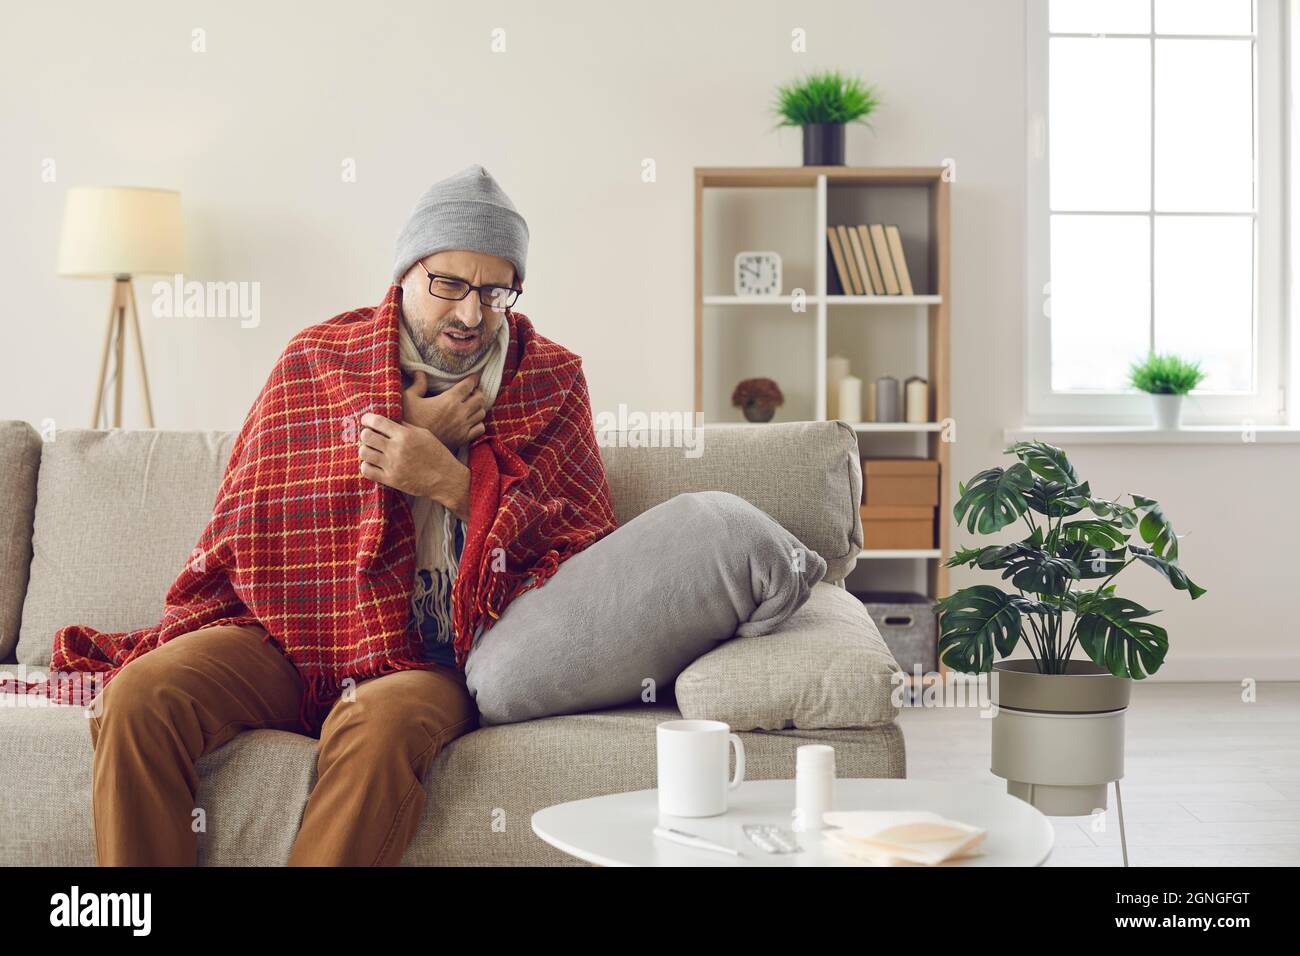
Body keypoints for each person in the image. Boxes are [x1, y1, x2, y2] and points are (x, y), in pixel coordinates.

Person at [88, 165, 558, 866]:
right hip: (287, 630)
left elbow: (578, 549)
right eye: (450, 285)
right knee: (142, 695)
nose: (470, 315)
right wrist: (400, 430)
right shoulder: (319, 358)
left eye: (495, 292)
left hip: (433, 656)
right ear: (405, 275)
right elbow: (254, 512)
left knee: (380, 725)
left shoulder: (547, 379)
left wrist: (453, 482)